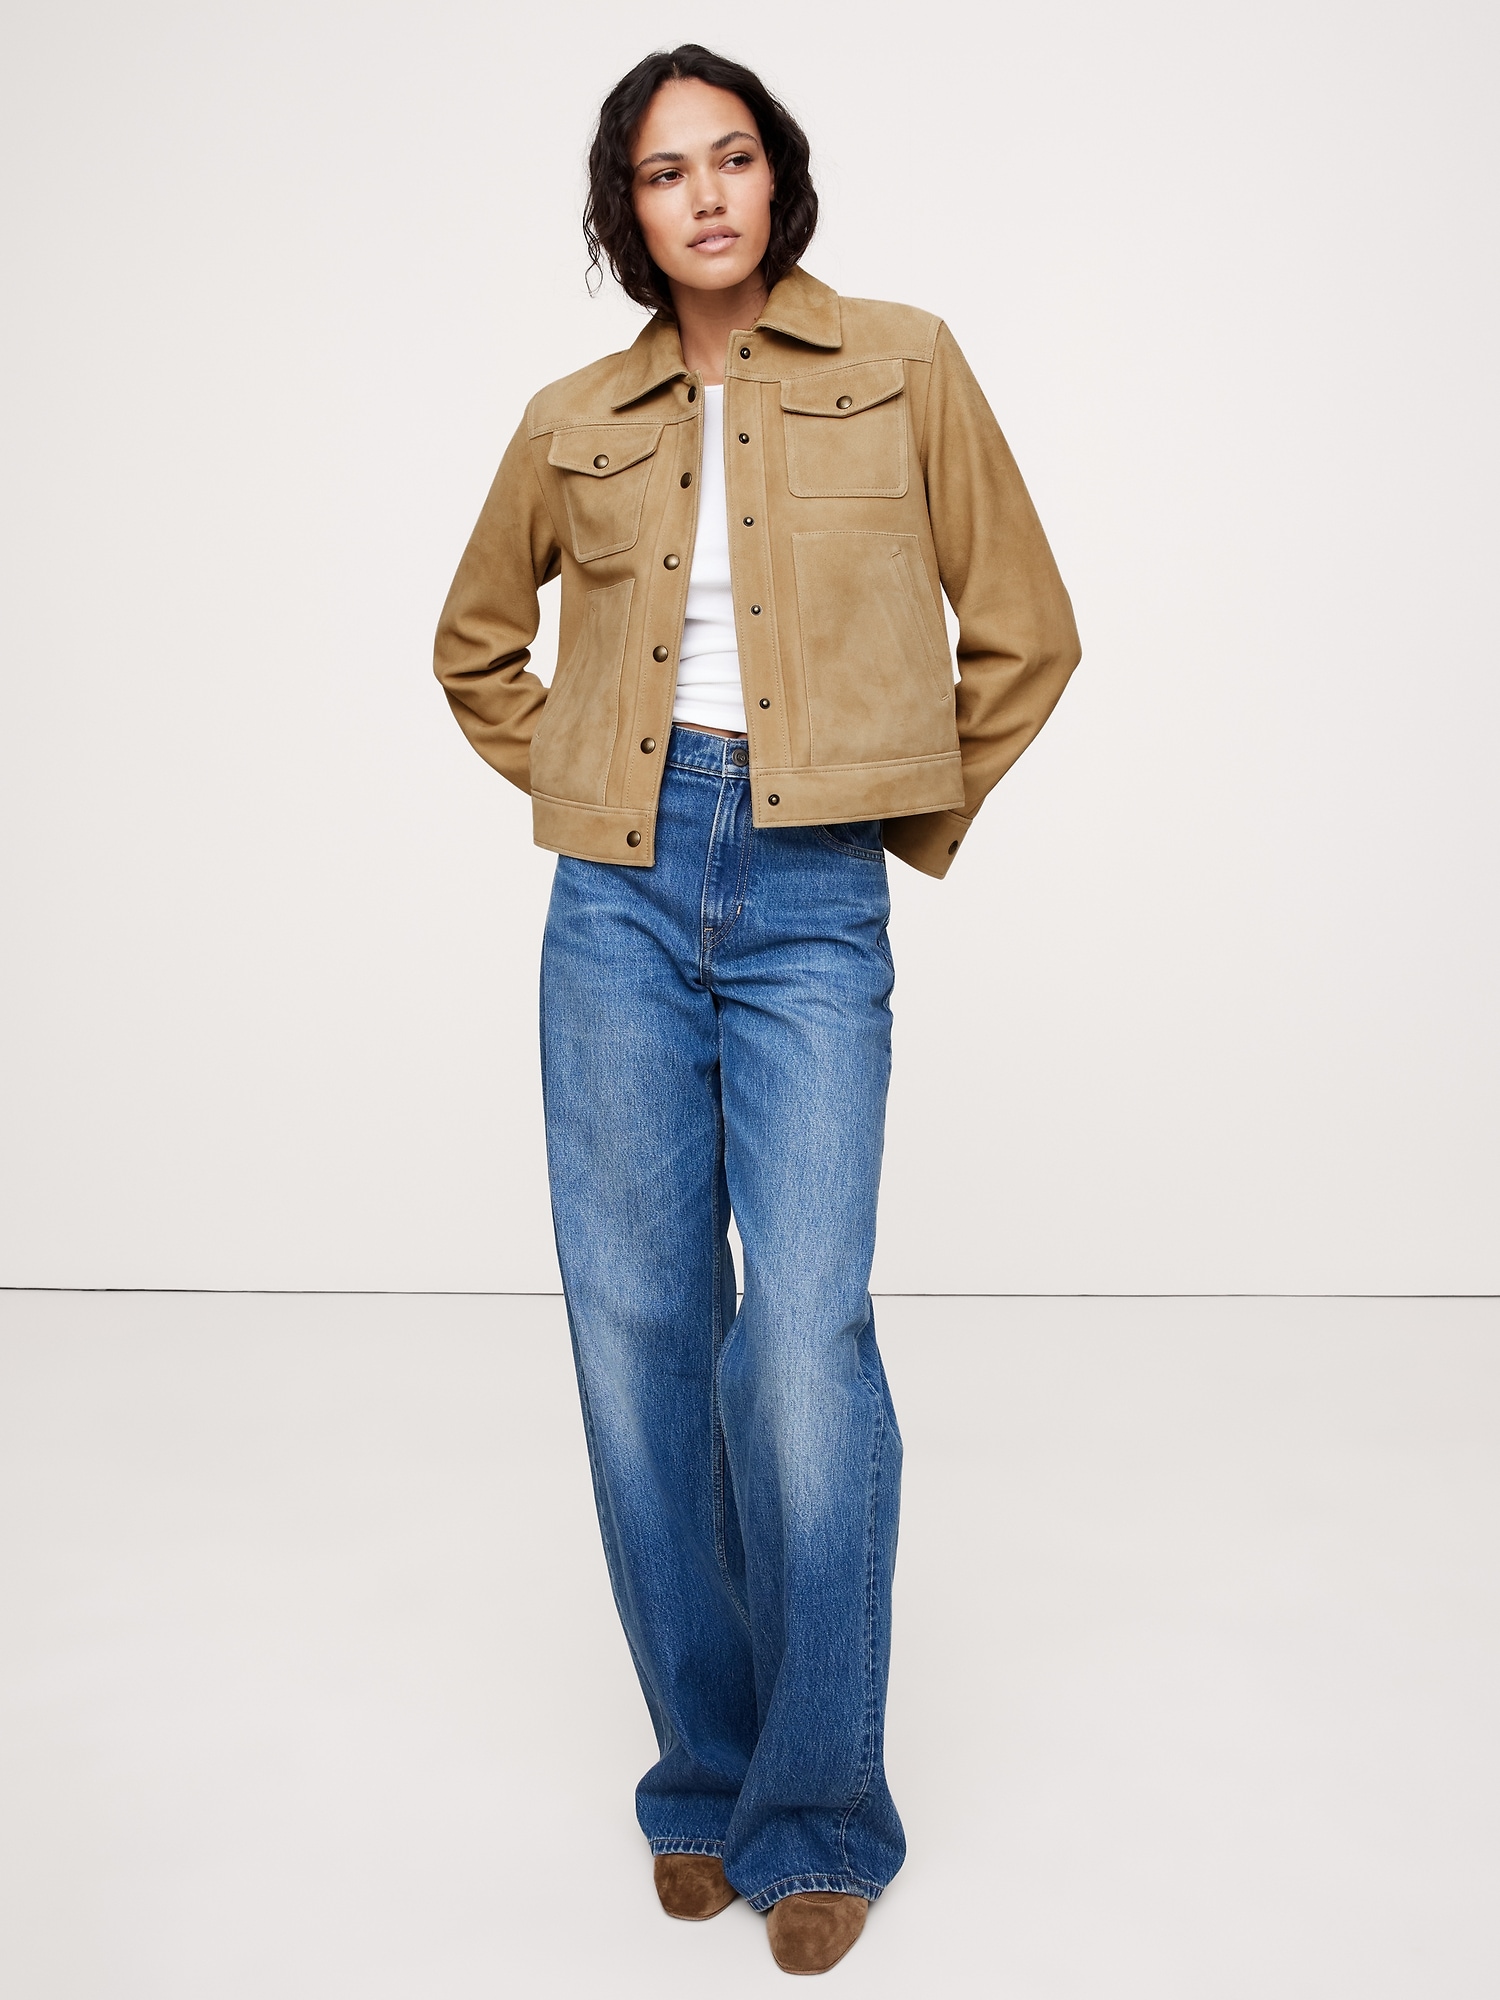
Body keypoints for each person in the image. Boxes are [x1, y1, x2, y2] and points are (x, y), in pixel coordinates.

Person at [433, 43, 1080, 1977]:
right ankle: (705, 1778)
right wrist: (586, 790)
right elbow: (476, 646)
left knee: (798, 1341)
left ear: (778, 179)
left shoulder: (906, 361)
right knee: (639, 1333)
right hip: (615, 902)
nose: (703, 195)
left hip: (811, 890)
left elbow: (1028, 630)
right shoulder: (574, 417)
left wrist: (901, 808)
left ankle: (820, 1816)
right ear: (625, 212)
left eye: (730, 159)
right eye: (662, 173)